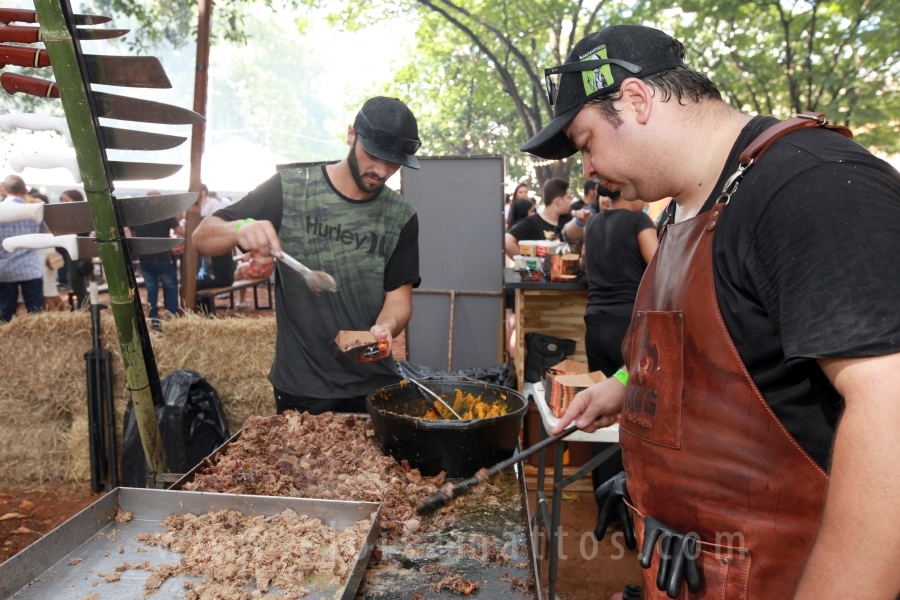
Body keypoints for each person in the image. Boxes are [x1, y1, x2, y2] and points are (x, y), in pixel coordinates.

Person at [523, 24, 900, 599]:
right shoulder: (684, 208)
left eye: (586, 143)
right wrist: (625, 385)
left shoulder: (812, 187)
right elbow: (717, 350)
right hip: (685, 571)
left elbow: (889, 411)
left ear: (636, 100)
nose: (588, 171)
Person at [192, 96, 421, 415]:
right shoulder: (292, 189)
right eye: (373, 155)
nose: (381, 170)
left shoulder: (401, 216)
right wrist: (239, 229)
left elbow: (399, 300)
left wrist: (386, 326)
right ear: (351, 135)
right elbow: (202, 234)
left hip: (373, 385)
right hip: (302, 388)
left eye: (393, 161)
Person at [131, 190, 184, 328]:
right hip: (162, 257)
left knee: (151, 289)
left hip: (145, 258)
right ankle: (172, 319)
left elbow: (134, 232)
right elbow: (180, 231)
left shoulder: (140, 216)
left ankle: (153, 321)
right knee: (171, 288)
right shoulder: (164, 213)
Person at [0, 175, 44, 322]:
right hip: (30, 267)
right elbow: (45, 232)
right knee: (36, 311)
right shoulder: (35, 209)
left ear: (3, 190)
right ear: (25, 190)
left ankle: (5, 342)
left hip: (4, 268)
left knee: (5, 311)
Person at [504, 177, 571, 259]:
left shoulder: (568, 219)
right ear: (558, 201)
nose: (570, 201)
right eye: (568, 198)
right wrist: (526, 264)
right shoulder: (532, 222)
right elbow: (507, 241)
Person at [58, 189, 92, 309]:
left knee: (79, 284)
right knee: (78, 284)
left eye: (66, 200)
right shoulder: (81, 213)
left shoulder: (79, 215)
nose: (63, 202)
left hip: (79, 253)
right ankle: (85, 308)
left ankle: (85, 309)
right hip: (78, 252)